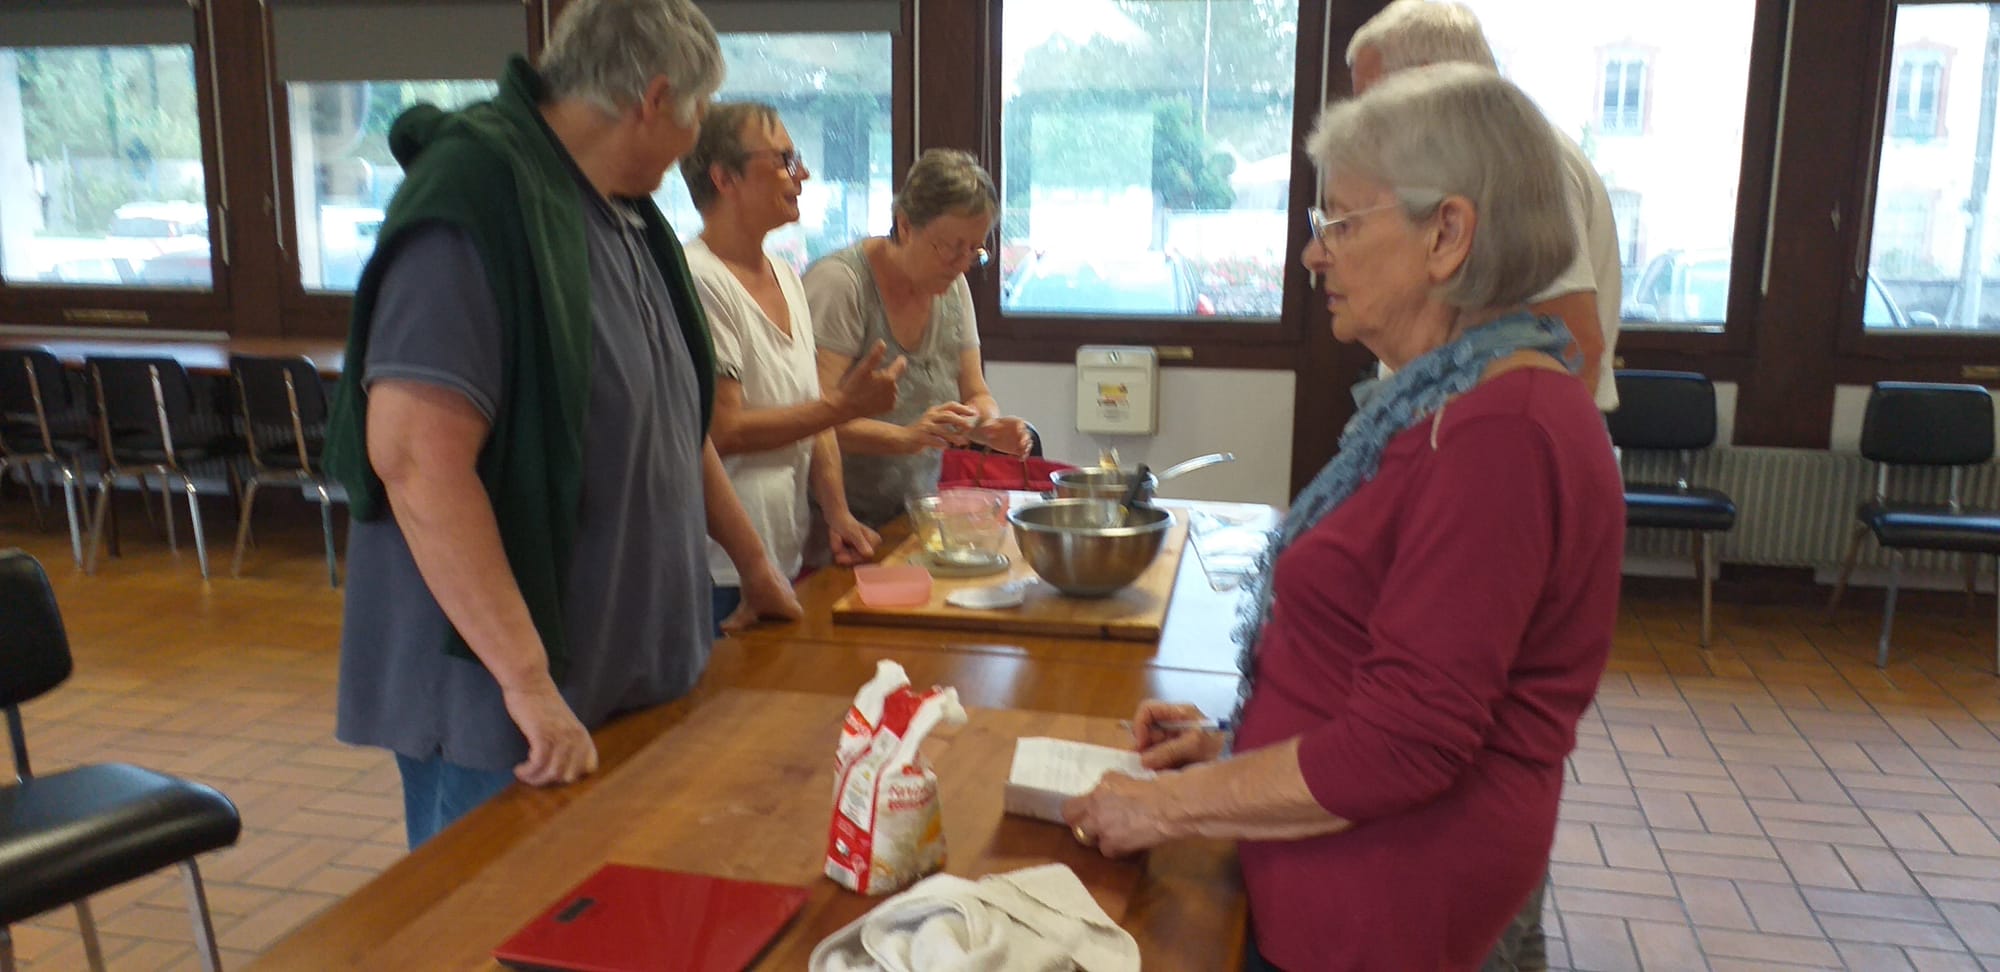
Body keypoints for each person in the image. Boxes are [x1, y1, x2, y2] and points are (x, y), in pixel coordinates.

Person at [1061, 66, 1626, 971]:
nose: (1314, 254)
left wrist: (1163, 808)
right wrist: (1235, 748)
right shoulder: (1443, 403)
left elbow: (1407, 744)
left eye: (1340, 224)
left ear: (1448, 233)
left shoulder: (1500, 433)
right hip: (1345, 875)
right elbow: (1384, 657)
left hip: (1387, 908)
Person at [322, 0, 800, 850]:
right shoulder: (476, 199)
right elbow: (413, 460)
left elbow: (670, 421)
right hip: (501, 698)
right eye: (696, 115)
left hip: (619, 672)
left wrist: (755, 566)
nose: (694, 139)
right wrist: (528, 680)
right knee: (489, 923)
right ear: (655, 99)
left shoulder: (623, 210)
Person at [679, 101, 905, 629]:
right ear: (724, 177)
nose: (802, 173)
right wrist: (840, 406)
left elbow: (814, 415)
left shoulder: (785, 272)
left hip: (784, 554)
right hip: (721, 569)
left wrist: (838, 512)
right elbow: (724, 429)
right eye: (784, 159)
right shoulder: (700, 278)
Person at [1350, 0, 1622, 413]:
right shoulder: (1464, 168)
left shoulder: (1523, 161)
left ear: (1430, 79)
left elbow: (1576, 344)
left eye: (1372, 104)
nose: (1364, 127)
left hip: (1505, 450)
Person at [802, 149, 1034, 529]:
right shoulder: (842, 285)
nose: (962, 265)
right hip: (835, 523)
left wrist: (985, 425)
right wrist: (907, 437)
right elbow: (811, 421)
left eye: (973, 251)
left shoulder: (954, 287)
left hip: (911, 515)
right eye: (949, 248)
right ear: (905, 225)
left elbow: (974, 391)